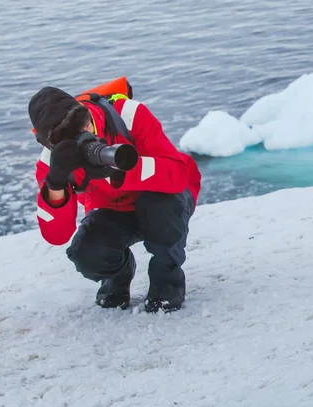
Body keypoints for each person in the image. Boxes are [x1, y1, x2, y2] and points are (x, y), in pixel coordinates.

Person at [27, 80, 202, 313]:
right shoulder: (52, 162)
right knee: (86, 254)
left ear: (87, 113)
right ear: (51, 144)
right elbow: (56, 235)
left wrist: (120, 171)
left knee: (162, 211)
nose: (87, 135)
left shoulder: (128, 115)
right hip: (115, 211)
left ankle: (167, 281)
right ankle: (118, 274)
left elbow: (178, 175)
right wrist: (56, 182)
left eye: (86, 125)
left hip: (165, 199)